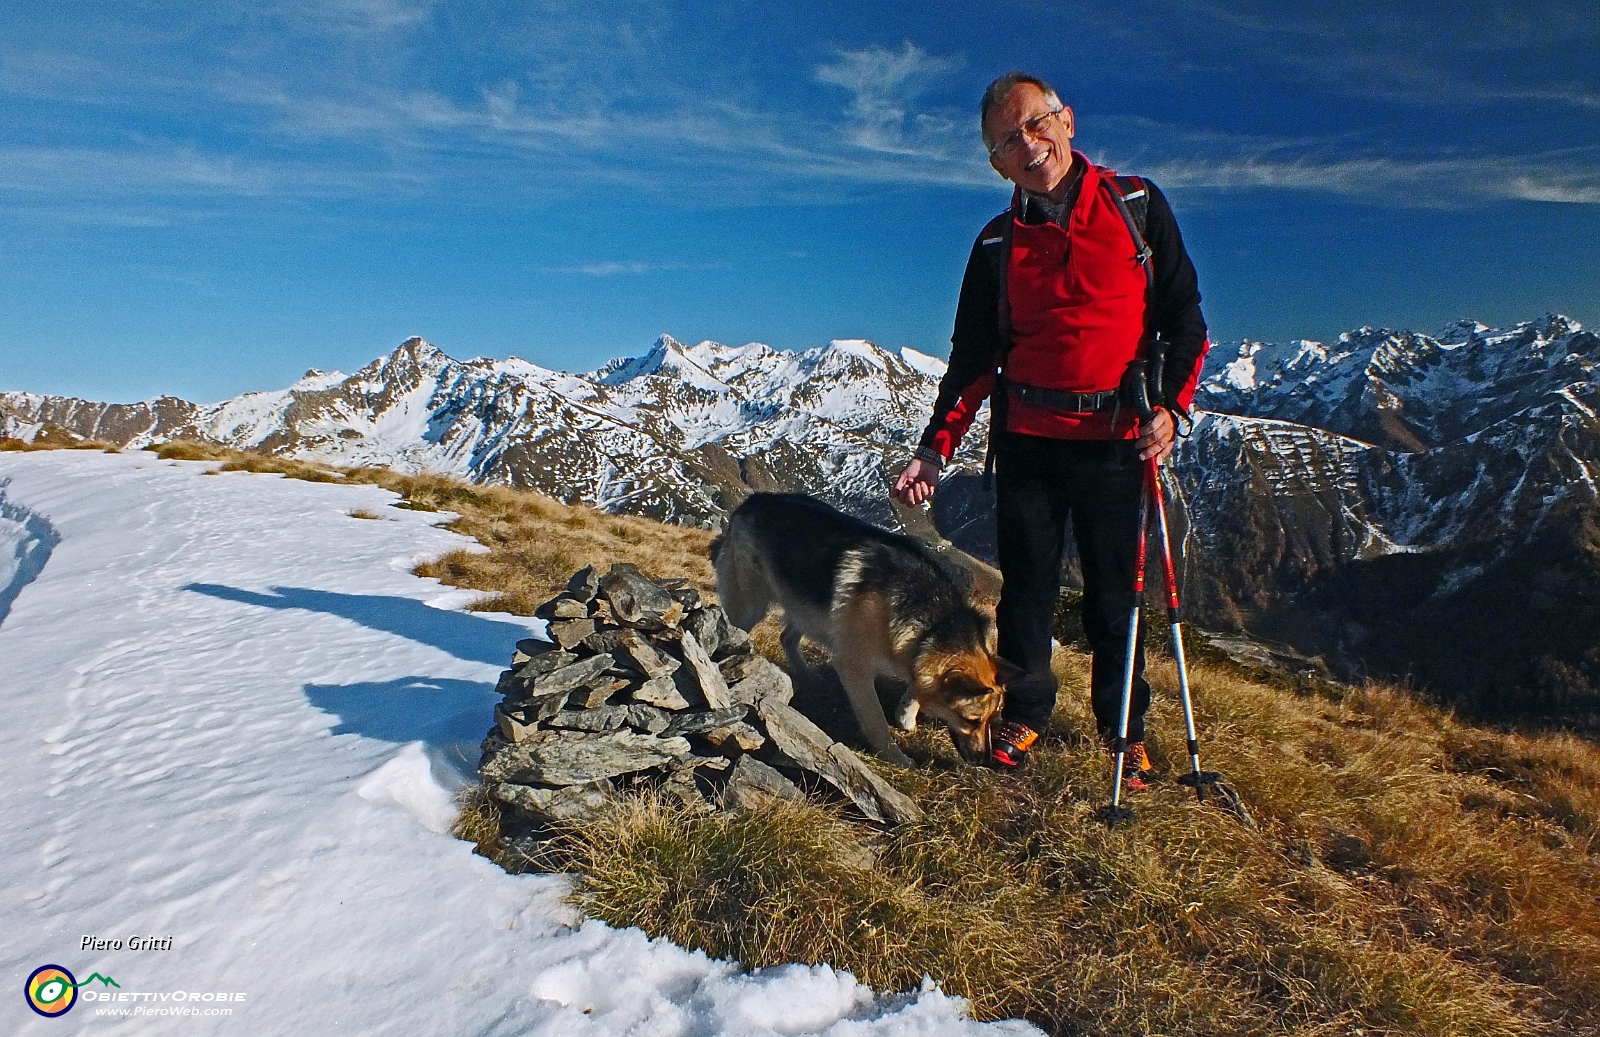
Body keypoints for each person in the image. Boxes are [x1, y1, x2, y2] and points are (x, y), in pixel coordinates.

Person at [891, 71, 1209, 778]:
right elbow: (974, 358)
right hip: (1030, 444)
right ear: (996, 163)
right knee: (1027, 594)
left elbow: (1186, 320)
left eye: (1037, 123)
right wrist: (934, 452)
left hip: (1116, 444)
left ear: (1068, 120)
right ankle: (1026, 713)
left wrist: (1172, 410)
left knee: (1114, 597)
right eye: (1009, 140)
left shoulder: (1137, 207)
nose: (1029, 144)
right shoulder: (998, 246)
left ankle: (1123, 729)